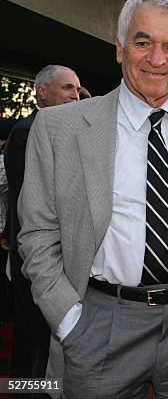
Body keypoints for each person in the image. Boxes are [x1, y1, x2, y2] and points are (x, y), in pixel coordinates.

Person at [17, 0, 168, 398]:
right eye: (143, 42)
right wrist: (69, 320)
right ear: (119, 49)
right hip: (99, 326)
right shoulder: (59, 128)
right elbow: (36, 235)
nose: (157, 59)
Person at [4, 65, 80, 386]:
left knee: (33, 340)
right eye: (66, 88)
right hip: (36, 259)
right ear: (42, 92)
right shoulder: (26, 132)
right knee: (40, 344)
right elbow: (33, 203)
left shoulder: (71, 130)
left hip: (59, 256)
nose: (74, 95)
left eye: (77, 89)